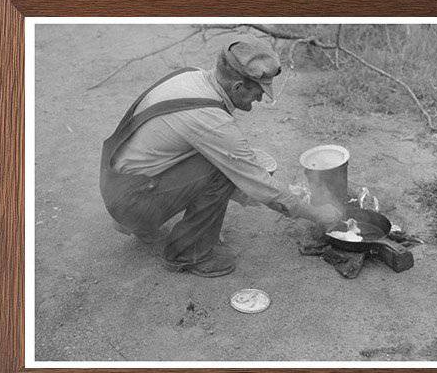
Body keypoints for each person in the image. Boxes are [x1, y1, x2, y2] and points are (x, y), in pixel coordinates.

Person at [100, 39, 341, 277]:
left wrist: (251, 193)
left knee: (229, 160)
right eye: (258, 92)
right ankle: (188, 253)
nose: (260, 100)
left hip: (120, 183)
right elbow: (257, 182)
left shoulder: (192, 77)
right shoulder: (209, 119)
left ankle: (135, 224)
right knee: (223, 168)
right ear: (237, 87)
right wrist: (316, 214)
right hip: (131, 200)